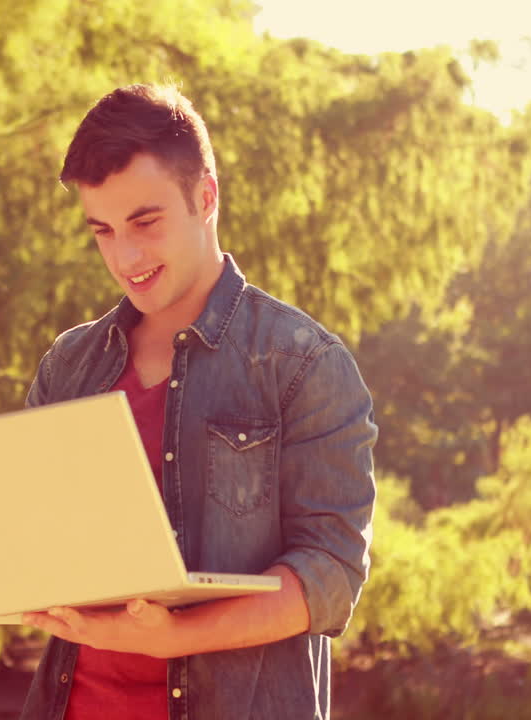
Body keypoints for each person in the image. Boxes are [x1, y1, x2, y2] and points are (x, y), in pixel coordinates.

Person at [19, 84, 377, 720]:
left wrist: (175, 637)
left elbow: (330, 577)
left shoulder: (303, 364)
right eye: (101, 230)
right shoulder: (67, 367)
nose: (125, 258)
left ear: (205, 197)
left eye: (145, 223)